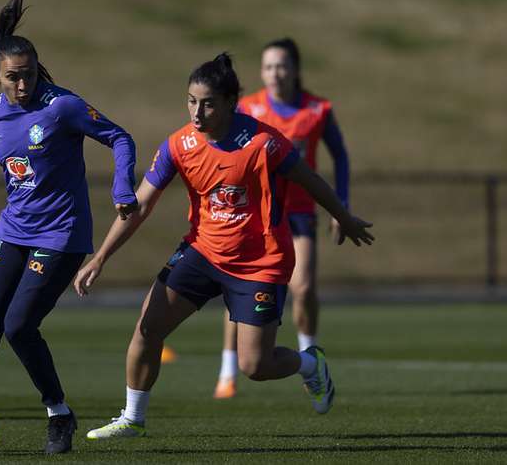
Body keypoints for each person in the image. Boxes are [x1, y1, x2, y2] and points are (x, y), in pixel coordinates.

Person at [74, 53, 373, 439]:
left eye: (208, 102)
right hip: (201, 252)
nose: (197, 112)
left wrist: (343, 216)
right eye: (191, 101)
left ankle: (309, 364)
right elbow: (142, 204)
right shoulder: (179, 145)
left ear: (232, 102)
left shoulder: (263, 143)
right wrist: (100, 257)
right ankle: (132, 418)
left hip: (260, 261)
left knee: (255, 366)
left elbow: (309, 179)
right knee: (148, 329)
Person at [0, 0, 138, 455]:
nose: (22, 83)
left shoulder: (61, 106)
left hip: (62, 234)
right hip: (14, 229)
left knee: (18, 325)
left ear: (37, 68)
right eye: (13, 76)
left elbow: (120, 137)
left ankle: (58, 413)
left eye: (29, 72)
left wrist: (121, 184)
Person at [213, 37, 351, 399]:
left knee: (302, 288)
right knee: (236, 294)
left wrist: (342, 205)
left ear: (295, 69)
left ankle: (311, 354)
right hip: (253, 217)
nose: (276, 72)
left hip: (299, 213)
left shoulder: (318, 110)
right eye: (269, 66)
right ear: (262, 72)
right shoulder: (248, 108)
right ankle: (227, 371)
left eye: (282, 65)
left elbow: (341, 157)